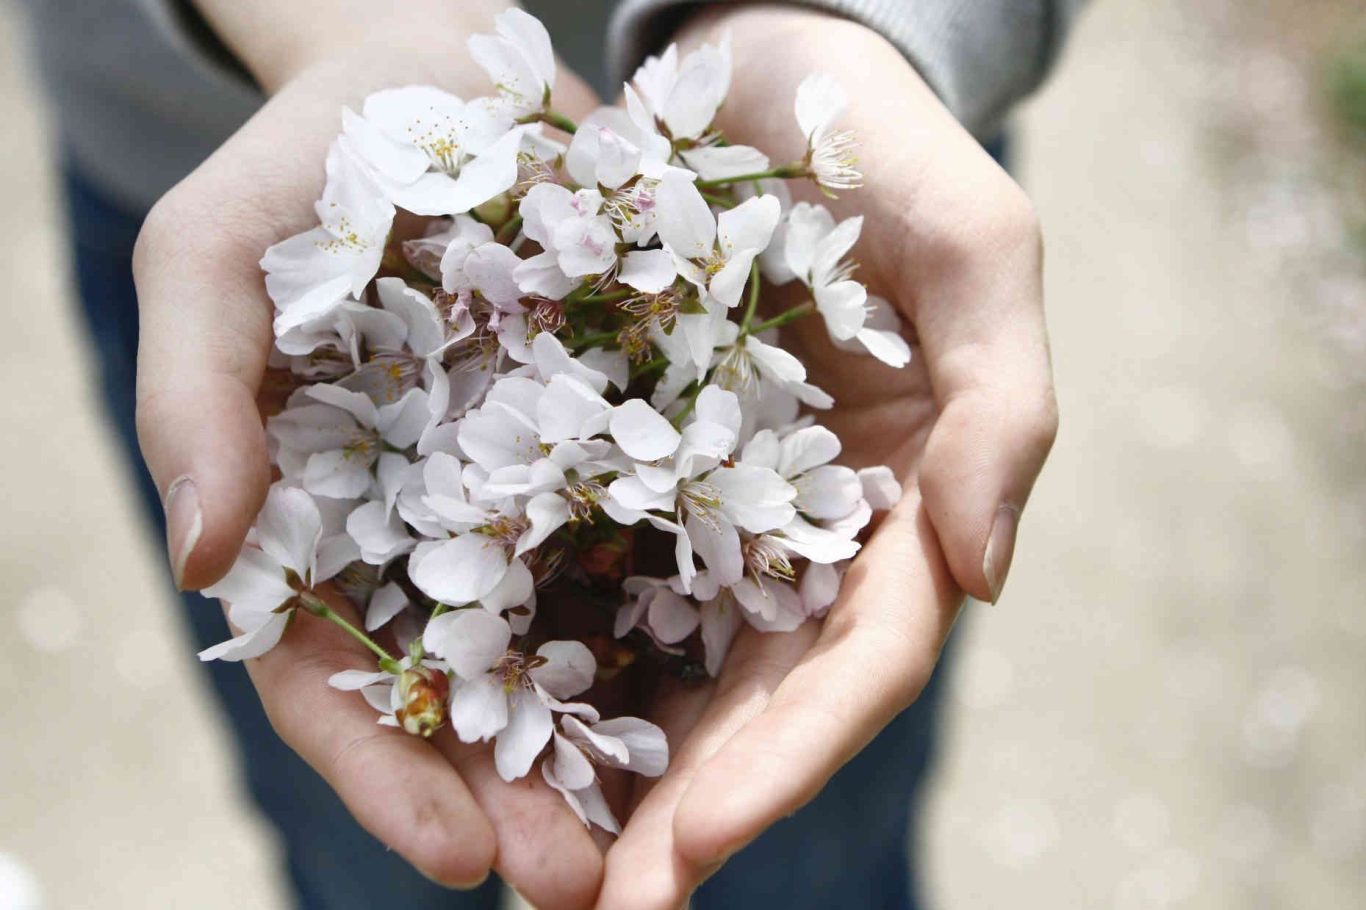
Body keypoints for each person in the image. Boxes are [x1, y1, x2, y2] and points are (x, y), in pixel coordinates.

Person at [17, 1, 1074, 907]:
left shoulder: (723, 293)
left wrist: (852, 22)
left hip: (777, 118)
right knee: (363, 851)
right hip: (208, 143)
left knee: (804, 848)